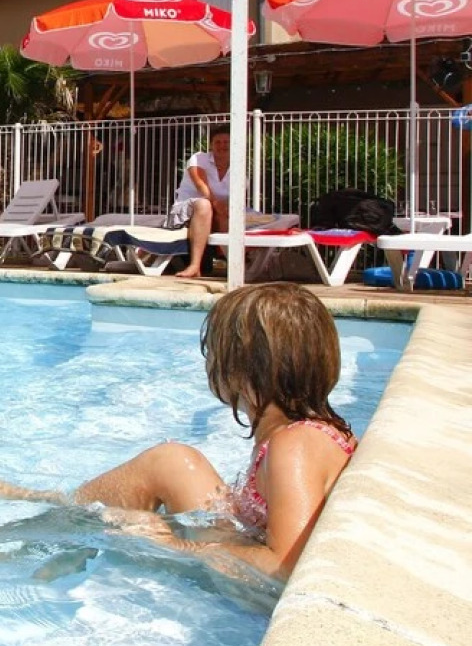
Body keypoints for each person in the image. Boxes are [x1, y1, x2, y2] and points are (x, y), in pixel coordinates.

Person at [64, 283, 357, 581]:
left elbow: (285, 568)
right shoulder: (300, 434)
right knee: (173, 462)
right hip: (247, 547)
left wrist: (176, 545)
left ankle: (60, 524)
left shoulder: (295, 446)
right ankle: (66, 513)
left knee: (162, 472)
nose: (209, 362)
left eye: (214, 351)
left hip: (258, 596)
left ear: (241, 371)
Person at [167, 125, 231, 279]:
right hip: (185, 213)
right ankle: (195, 266)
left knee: (236, 213)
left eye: (226, 142)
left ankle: (236, 262)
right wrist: (218, 206)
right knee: (204, 204)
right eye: (217, 142)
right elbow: (202, 186)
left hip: (216, 214)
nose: (222, 146)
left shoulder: (238, 169)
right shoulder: (199, 159)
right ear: (211, 145)